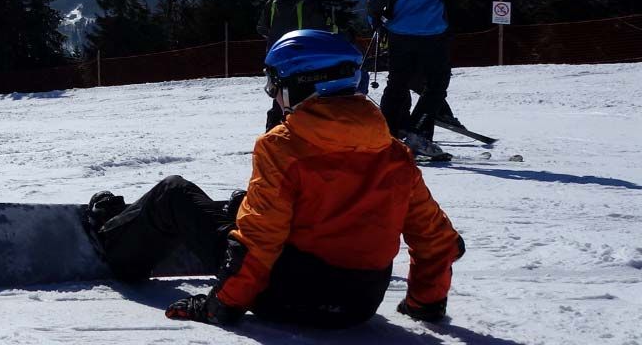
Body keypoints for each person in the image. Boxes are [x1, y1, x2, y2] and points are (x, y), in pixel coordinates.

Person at [87, 29, 464, 330]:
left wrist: (221, 305)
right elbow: (436, 239)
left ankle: (112, 240)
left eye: (274, 84)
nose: (273, 95)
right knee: (241, 205)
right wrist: (426, 303)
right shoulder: (392, 152)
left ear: (300, 84)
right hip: (359, 305)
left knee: (173, 193)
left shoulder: (284, 146)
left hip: (287, 298)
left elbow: (259, 240)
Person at [368, 0, 453, 158]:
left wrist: (374, 22)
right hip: (434, 30)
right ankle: (418, 132)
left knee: (397, 83)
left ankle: (387, 135)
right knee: (436, 85)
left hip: (400, 30)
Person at [256, 0, 332, 131]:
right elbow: (321, 30)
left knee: (280, 98)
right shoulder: (309, 3)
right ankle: (303, 136)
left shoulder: (273, 2)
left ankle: (273, 136)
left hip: (275, 57)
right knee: (306, 96)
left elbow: (261, 27)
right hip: (303, 57)